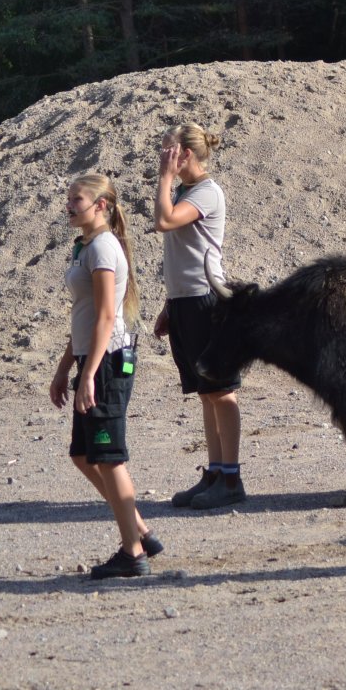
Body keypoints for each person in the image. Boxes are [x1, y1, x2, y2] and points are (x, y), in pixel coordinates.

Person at [49, 172, 161, 579]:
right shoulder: (84, 247)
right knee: (83, 455)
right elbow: (82, 318)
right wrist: (66, 370)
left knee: (110, 458)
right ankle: (141, 531)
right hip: (92, 359)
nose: (69, 205)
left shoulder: (101, 247)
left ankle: (133, 553)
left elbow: (105, 317)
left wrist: (90, 374)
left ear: (101, 206)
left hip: (109, 362)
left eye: (76, 199)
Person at [153, 123, 244, 510]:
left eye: (168, 150)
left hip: (208, 301)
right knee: (206, 395)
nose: (163, 155)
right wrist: (169, 305)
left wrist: (163, 178)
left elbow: (165, 221)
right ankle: (214, 472)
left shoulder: (207, 192)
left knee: (222, 392)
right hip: (186, 302)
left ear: (185, 154)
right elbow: (182, 256)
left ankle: (232, 478)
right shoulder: (188, 191)